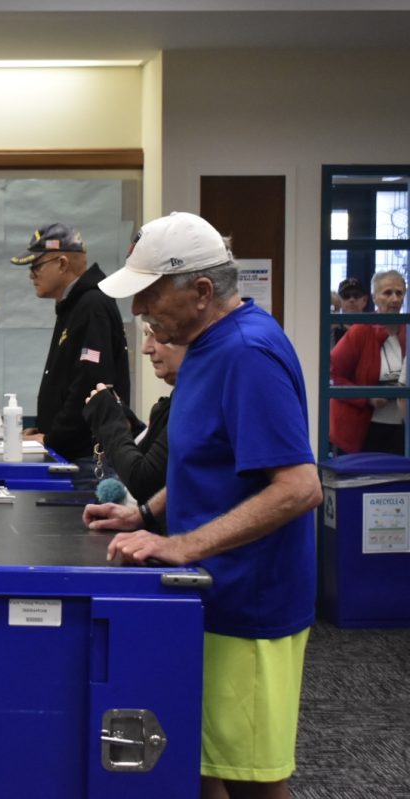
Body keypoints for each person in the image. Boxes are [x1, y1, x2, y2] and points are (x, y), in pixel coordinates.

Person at [87, 212, 321, 799]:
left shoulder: (248, 353)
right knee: (199, 766)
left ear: (200, 290)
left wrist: (182, 544)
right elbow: (210, 461)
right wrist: (148, 514)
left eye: (151, 295)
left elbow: (299, 487)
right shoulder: (202, 346)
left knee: (252, 783)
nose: (141, 311)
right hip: (207, 593)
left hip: (250, 606)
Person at [10, 223, 131, 488]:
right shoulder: (73, 305)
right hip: (71, 453)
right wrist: (43, 430)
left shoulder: (92, 305)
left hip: (86, 459)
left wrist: (52, 438)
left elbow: (91, 383)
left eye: (36, 266)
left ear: (63, 263)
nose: (31, 275)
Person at [82, 322, 186, 509]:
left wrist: (110, 421)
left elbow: (144, 483)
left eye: (155, 334)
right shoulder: (179, 399)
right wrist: (129, 424)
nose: (145, 348)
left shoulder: (193, 401)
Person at [329, 269, 407, 454]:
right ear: (374, 297)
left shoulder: (407, 330)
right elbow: (332, 376)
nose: (395, 299)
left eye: (399, 293)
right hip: (363, 429)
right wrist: (367, 398)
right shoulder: (361, 331)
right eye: (387, 293)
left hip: (400, 427)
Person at [332, 276, 369, 346]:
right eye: (346, 296)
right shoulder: (332, 331)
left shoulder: (372, 329)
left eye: (356, 295)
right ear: (339, 300)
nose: (351, 299)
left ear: (365, 300)